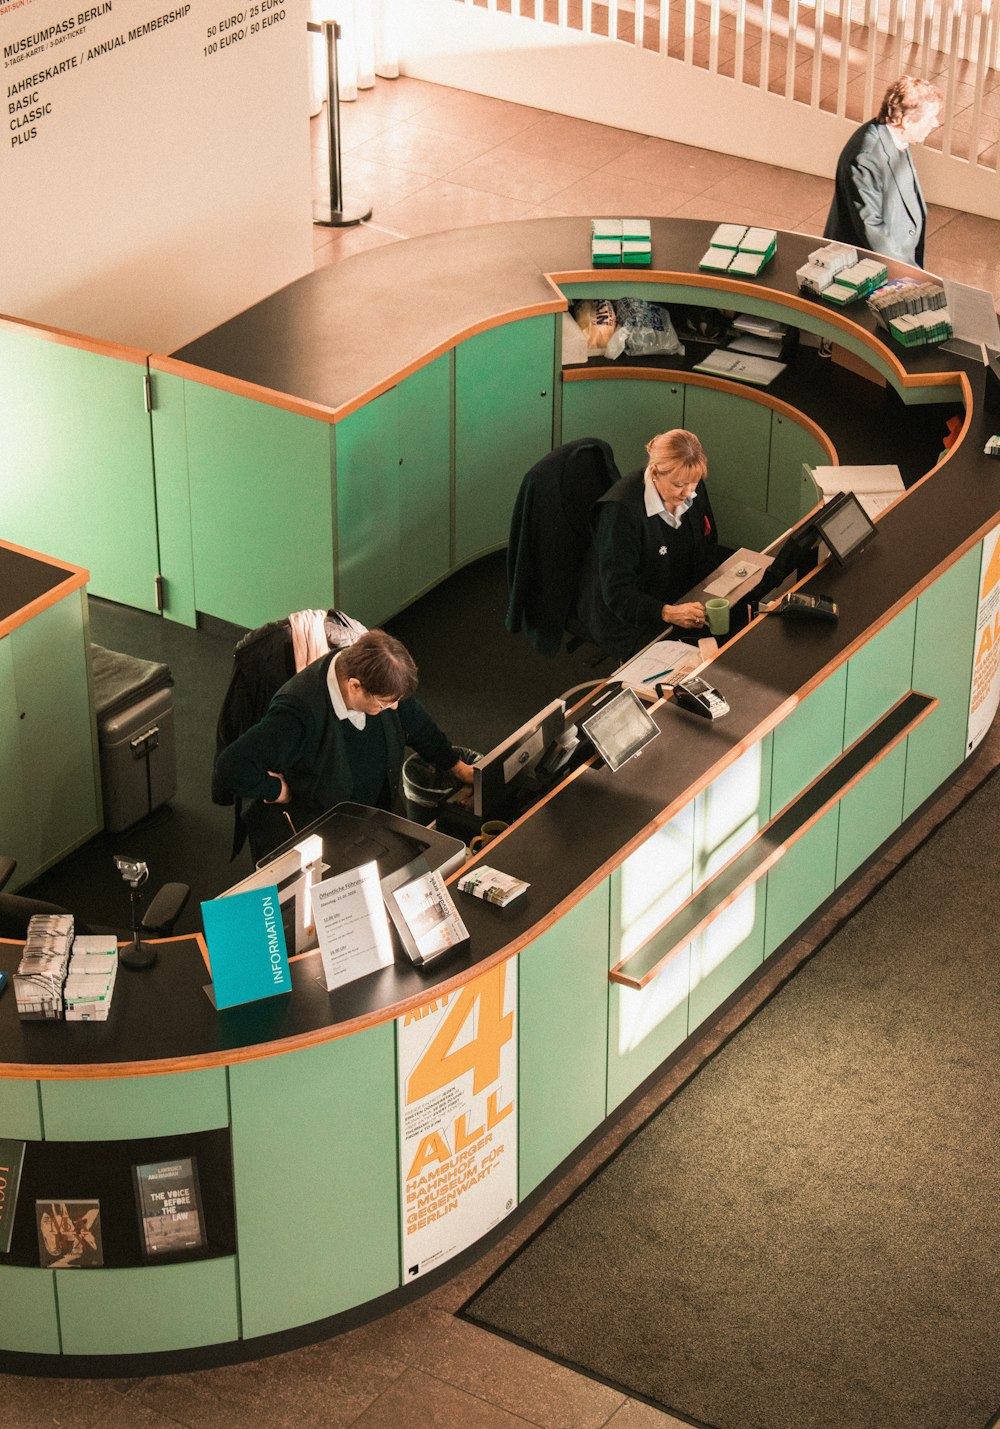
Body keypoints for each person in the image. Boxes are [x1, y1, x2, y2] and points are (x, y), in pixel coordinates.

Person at [214, 629, 475, 862]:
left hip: (371, 818)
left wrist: (455, 765)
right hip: (319, 834)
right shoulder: (298, 712)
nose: (395, 708)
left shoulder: (376, 678)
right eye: (385, 703)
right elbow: (231, 766)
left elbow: (418, 725)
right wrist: (276, 790)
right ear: (354, 686)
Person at [576, 429, 721, 662]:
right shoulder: (619, 511)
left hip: (677, 595)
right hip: (629, 617)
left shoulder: (690, 486)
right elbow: (617, 593)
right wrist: (667, 612)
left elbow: (707, 545)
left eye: (694, 484)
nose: (689, 493)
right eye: (679, 485)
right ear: (655, 473)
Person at [823, 76, 942, 268]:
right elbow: (871, 226)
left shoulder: (898, 138)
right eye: (930, 118)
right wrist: (910, 272)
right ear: (907, 121)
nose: (935, 124)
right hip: (869, 268)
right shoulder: (866, 157)